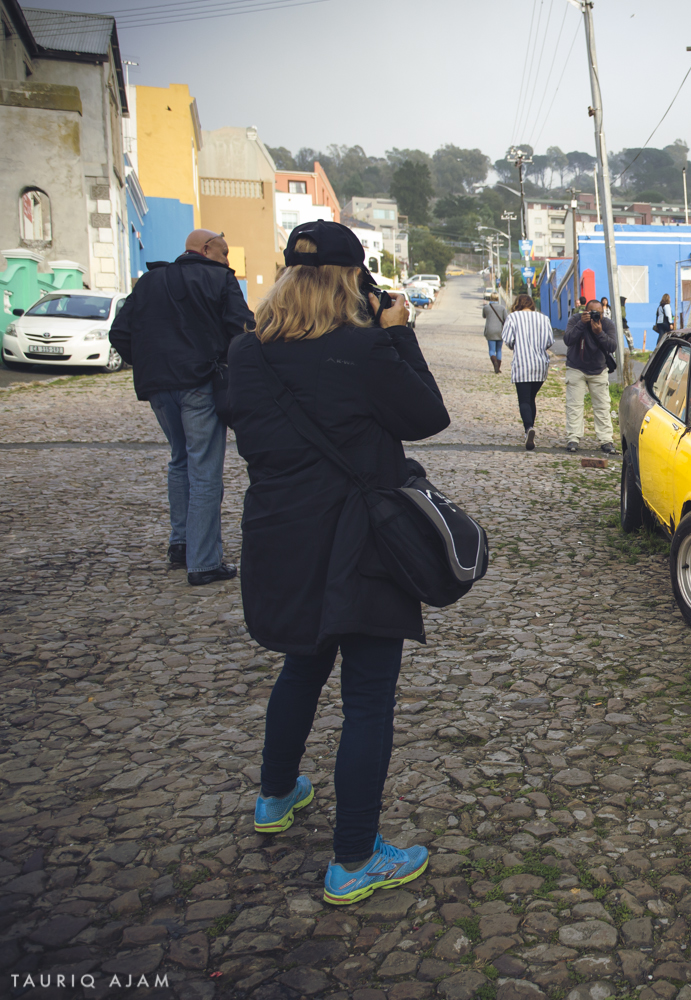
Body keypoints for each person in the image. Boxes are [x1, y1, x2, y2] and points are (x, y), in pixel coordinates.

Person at [226, 220, 450, 906]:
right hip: (362, 543)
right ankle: (353, 858)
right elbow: (427, 416)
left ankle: (275, 794)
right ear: (351, 280)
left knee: (301, 666)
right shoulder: (363, 349)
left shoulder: (245, 353)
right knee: (368, 699)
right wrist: (398, 334)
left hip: (282, 539)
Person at [108, 228, 250, 585]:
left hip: (159, 387)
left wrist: (148, 363)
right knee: (204, 469)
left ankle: (181, 544)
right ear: (206, 248)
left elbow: (119, 333)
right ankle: (203, 562)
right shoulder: (220, 279)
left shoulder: (149, 282)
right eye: (224, 252)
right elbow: (242, 332)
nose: (227, 260)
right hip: (200, 382)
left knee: (179, 460)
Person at [500, 294, 554, 451]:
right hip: (540, 364)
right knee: (531, 398)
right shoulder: (543, 318)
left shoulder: (513, 317)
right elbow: (550, 341)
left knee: (524, 399)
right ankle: (530, 429)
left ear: (517, 304)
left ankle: (528, 428)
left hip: (522, 363)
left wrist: (517, 345)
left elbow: (508, 339)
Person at [563, 298, 618, 453]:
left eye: (598, 313)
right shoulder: (575, 320)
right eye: (591, 312)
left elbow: (612, 346)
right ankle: (573, 438)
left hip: (598, 369)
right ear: (585, 311)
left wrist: (599, 333)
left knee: (602, 406)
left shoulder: (607, 324)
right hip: (576, 367)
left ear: (602, 313)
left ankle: (606, 440)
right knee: (574, 405)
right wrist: (581, 323)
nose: (595, 316)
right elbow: (568, 339)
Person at [481, 294, 508, 374]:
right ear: (498, 299)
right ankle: (498, 367)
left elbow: (484, 316)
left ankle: (494, 363)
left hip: (490, 331)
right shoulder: (502, 308)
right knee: (499, 349)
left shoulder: (486, 307)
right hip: (500, 330)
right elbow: (506, 319)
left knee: (491, 350)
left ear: (490, 298)